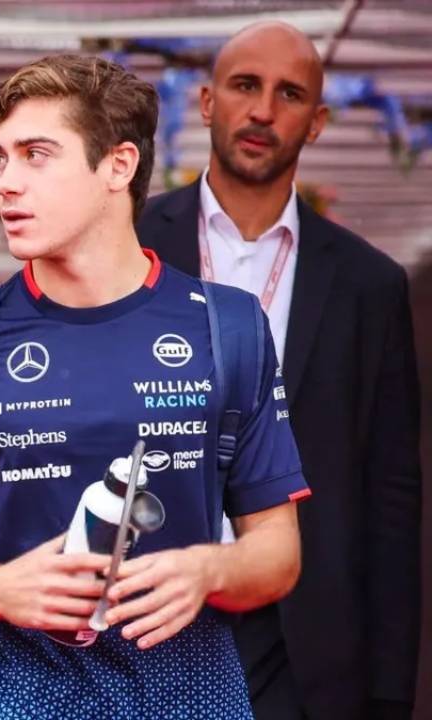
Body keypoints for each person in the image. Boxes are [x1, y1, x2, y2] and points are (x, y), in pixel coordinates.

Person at [0, 54, 310, 718]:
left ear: (118, 165)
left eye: (36, 155)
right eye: (0, 158)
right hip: (18, 697)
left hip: (193, 695)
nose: (7, 183)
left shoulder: (228, 328)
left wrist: (208, 571)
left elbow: (279, 550)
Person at [136, 22, 422, 720]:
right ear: (207, 102)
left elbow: (391, 496)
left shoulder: (369, 286)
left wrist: (390, 691)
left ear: (316, 122)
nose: (263, 110)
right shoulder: (126, 244)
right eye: (245, 86)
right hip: (144, 619)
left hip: (304, 647)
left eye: (289, 94)